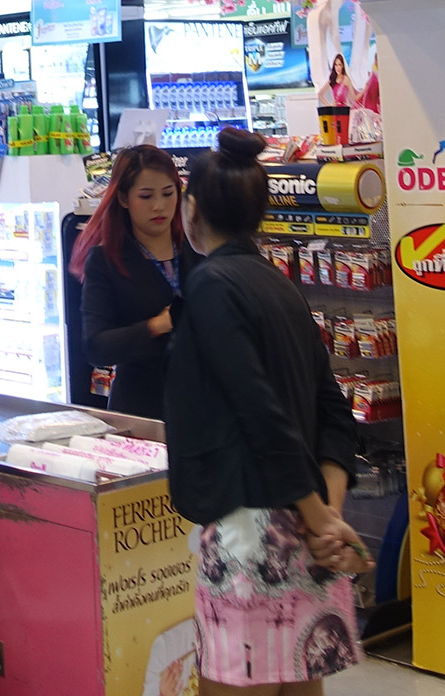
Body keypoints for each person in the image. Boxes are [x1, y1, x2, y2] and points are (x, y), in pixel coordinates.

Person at [165, 127, 370, 696]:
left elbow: (259, 413)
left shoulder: (210, 286)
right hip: (306, 536)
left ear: (192, 208)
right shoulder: (281, 288)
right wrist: (325, 513)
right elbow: (334, 411)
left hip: (249, 535)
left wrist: (318, 515)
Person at [69, 145, 200, 419]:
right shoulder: (105, 260)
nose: (159, 206)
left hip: (202, 405)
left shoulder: (195, 248)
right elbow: (96, 346)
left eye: (168, 193)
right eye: (146, 196)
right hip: (143, 410)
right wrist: (155, 326)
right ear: (123, 198)